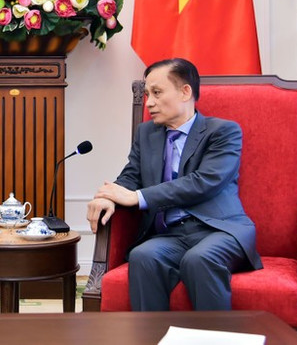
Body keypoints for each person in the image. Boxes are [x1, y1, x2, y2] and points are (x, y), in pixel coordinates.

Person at [86, 58, 262, 311]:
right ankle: (153, 332)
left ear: (185, 92)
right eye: (147, 94)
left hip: (220, 230)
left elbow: (205, 182)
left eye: (157, 93)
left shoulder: (222, 132)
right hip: (171, 234)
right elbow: (131, 176)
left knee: (199, 259)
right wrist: (108, 197)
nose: (149, 102)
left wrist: (139, 197)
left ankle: (216, 333)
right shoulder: (146, 133)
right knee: (143, 256)